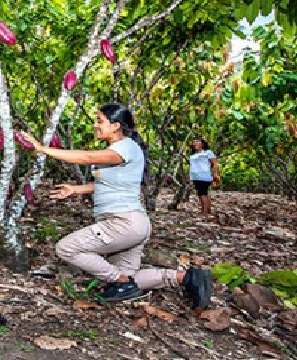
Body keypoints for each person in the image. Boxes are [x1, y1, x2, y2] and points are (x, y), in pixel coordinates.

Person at [19, 103, 213, 308]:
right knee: (130, 278)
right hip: (134, 224)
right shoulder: (117, 150)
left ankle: (121, 281)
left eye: (99, 121)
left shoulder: (126, 146)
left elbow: (86, 157)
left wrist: (42, 149)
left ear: (116, 126)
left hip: (122, 222)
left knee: (66, 249)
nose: (95, 125)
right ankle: (186, 278)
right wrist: (75, 189)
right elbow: (105, 184)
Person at [188, 137, 220, 215]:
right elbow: (191, 166)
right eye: (194, 142)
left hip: (204, 176)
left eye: (197, 142)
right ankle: (207, 210)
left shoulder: (208, 152)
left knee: (202, 194)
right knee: (203, 193)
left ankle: (204, 212)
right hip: (195, 176)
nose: (195, 143)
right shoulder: (193, 155)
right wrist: (189, 176)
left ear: (202, 144)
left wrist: (215, 174)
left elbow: (214, 164)